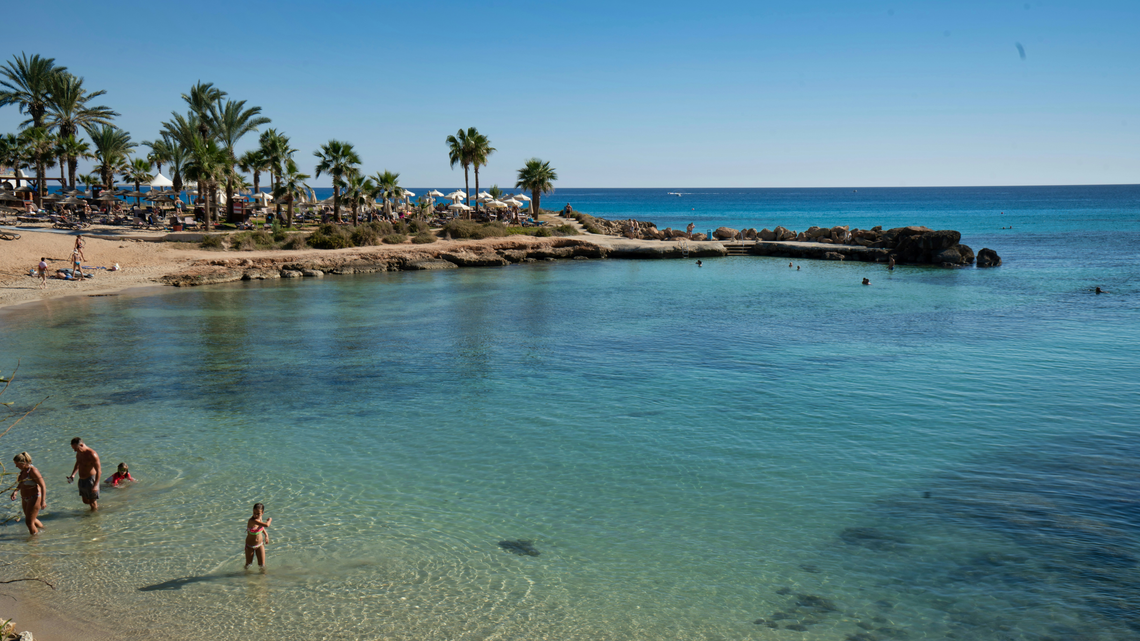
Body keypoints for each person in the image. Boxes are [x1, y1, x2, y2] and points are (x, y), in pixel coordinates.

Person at [11, 452, 46, 535]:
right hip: (24, 498)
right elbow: (21, 483)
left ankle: (34, 541)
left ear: (23, 463)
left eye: (17, 464)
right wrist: (15, 491)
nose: (16, 466)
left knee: (29, 523)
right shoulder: (23, 471)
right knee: (31, 519)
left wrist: (43, 501)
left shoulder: (33, 471)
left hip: (34, 497)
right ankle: (44, 531)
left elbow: (43, 485)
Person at [67, 437, 101, 511]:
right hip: (82, 480)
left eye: (76, 448)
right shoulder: (79, 454)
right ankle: (96, 506)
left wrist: (95, 485)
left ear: (81, 445)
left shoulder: (92, 454)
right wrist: (73, 475)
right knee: (85, 501)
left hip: (91, 479)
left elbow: (99, 471)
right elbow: (78, 464)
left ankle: (94, 519)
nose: (75, 451)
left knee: (92, 502)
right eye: (74, 449)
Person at [245, 503, 272, 569]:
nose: (255, 515)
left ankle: (263, 578)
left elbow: (261, 527)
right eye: (254, 513)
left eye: (258, 513)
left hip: (260, 544)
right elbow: (266, 525)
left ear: (262, 513)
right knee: (248, 565)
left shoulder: (260, 518)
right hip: (250, 546)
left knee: (262, 565)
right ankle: (245, 577)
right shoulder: (252, 520)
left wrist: (266, 535)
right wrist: (270, 520)